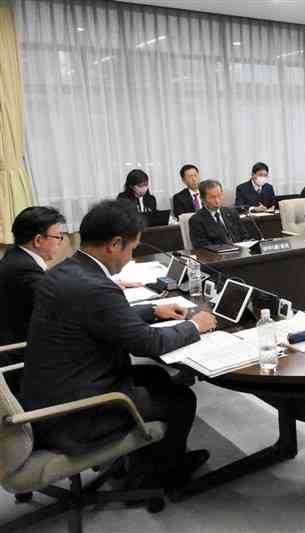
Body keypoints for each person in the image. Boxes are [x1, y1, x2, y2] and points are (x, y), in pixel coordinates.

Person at [21, 199, 217, 492]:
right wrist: (194, 326)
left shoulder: (65, 271)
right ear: (114, 244)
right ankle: (165, 477)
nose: (129, 257)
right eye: (131, 249)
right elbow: (147, 344)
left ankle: (148, 461)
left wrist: (152, 311)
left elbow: (97, 319)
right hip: (75, 415)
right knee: (181, 400)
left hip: (48, 394)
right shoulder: (96, 286)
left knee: (156, 377)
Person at [0, 207, 66, 364]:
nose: (60, 242)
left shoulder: (16, 256)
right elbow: (57, 304)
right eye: (58, 237)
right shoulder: (23, 269)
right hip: (23, 357)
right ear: (37, 240)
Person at [189, 179, 253, 248]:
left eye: (219, 196)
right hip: (216, 256)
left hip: (239, 253)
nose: (217, 200)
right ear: (202, 199)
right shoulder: (196, 220)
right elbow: (202, 246)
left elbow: (244, 236)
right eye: (212, 197)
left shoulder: (231, 212)